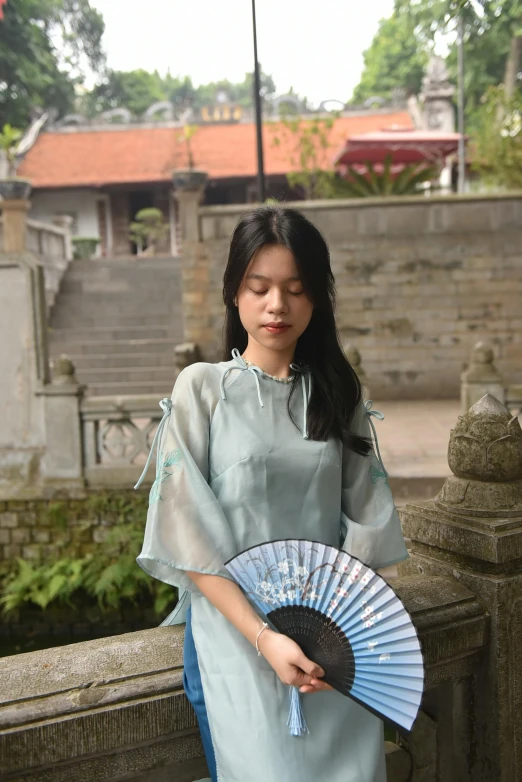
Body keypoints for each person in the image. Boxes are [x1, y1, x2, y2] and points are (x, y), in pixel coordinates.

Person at [135, 206, 410, 782]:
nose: (276, 305)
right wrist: (265, 638)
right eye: (259, 288)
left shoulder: (338, 396)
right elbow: (189, 537)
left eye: (295, 289)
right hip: (235, 636)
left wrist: (335, 633)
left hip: (331, 641)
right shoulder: (203, 389)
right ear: (235, 294)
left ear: (317, 298)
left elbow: (365, 524)